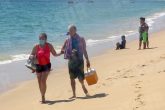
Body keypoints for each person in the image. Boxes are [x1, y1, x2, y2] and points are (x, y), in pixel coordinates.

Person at [61, 25, 90, 99]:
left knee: (80, 78)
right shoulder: (67, 40)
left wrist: (87, 59)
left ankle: (83, 86)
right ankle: (74, 94)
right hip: (71, 61)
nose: (70, 32)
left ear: (75, 30)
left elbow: (84, 50)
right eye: (69, 31)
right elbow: (62, 49)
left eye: (71, 30)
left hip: (80, 60)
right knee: (72, 78)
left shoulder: (81, 39)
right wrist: (69, 51)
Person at [30, 33, 61, 103]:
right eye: (40, 39)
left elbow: (55, 54)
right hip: (38, 65)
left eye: (42, 38)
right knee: (39, 82)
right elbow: (31, 55)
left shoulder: (49, 46)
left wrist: (61, 53)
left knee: (43, 81)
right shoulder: (36, 46)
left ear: (46, 39)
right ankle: (42, 95)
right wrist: (32, 57)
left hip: (46, 65)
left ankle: (43, 96)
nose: (41, 40)